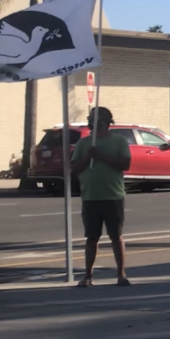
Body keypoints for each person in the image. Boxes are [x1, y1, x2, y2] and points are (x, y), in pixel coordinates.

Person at [71, 106, 132, 287]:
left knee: (116, 235)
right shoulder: (84, 143)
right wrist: (87, 157)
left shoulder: (119, 142)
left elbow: (125, 164)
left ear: (104, 123)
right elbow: (74, 168)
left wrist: (101, 155)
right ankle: (88, 275)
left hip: (113, 195)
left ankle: (121, 274)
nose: (90, 123)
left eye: (94, 120)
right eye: (89, 119)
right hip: (90, 196)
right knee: (92, 237)